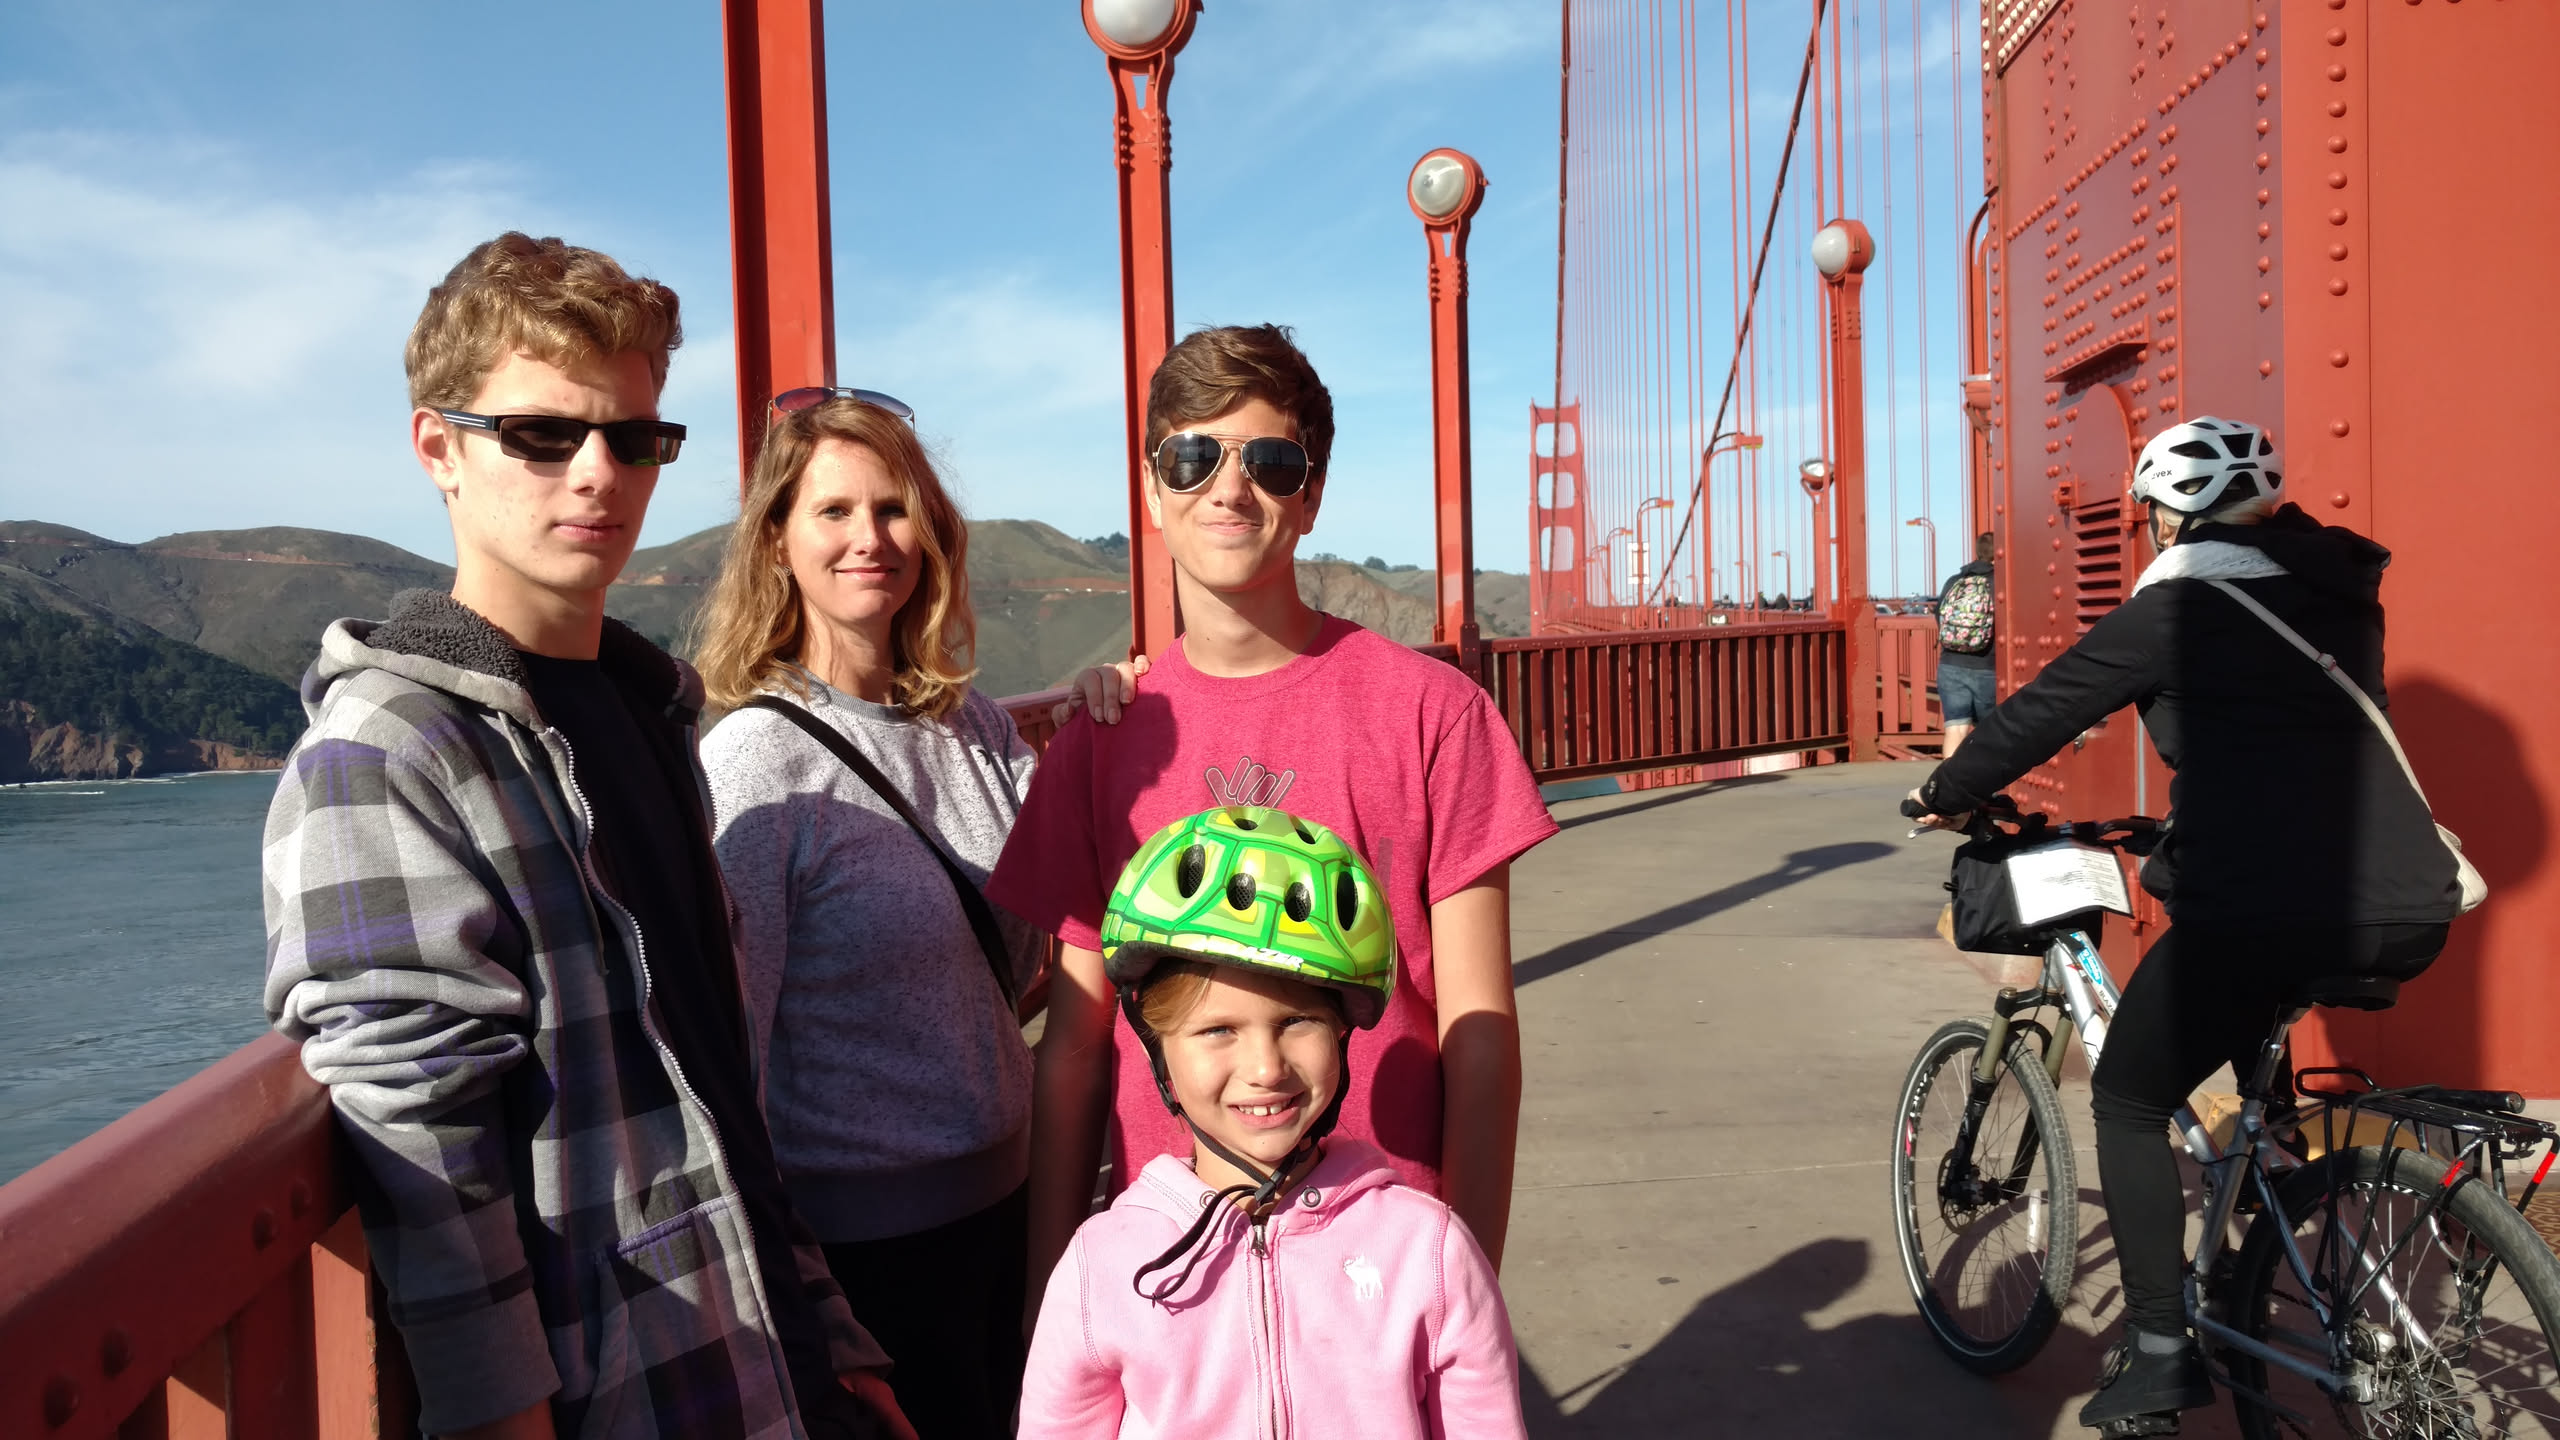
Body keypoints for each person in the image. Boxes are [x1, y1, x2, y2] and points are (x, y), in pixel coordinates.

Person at [262, 233, 909, 1440]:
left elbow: (719, 1080)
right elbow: (426, 1158)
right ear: (439, 449)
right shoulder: (385, 753)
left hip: (776, 1367)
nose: (598, 474)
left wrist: (835, 1339)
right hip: (630, 1400)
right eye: (542, 436)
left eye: (634, 438)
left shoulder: (649, 709)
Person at [1902, 416, 2463, 1433]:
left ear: (2173, 513)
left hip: (2265, 902)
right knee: (2249, 1036)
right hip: (2401, 903)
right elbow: (2289, 742)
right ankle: (2265, 1218)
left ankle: (2160, 1353)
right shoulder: (2341, 596)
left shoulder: (2176, 606)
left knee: (2127, 1097)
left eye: (2153, 513)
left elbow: (2045, 711)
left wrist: (1944, 791)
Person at [987, 324, 1557, 1316]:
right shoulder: (1098, 745)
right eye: (1192, 456)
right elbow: (1075, 1046)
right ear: (1152, 488)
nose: (1229, 488)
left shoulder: (1435, 715)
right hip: (1169, 1279)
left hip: (1382, 1266)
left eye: (1271, 462)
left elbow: (1479, 1028)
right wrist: (1052, 1306)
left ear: (1312, 494)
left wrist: (1464, 1282)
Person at [691, 391, 1133, 1439]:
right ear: (777, 540)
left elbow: (1077, 885)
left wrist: (1102, 718)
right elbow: (730, 1068)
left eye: (893, 509)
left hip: (1019, 1209)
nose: (869, 539)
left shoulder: (971, 725)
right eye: (833, 511)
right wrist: (811, 1312)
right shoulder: (756, 762)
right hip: (870, 1266)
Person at [1018, 808, 1527, 1438]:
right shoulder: (1102, 1266)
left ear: (1342, 1032)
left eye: (1296, 1021)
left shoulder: (1428, 1253)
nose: (1265, 1068)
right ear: (1156, 1047)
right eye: (1218, 1029)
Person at [1933, 532, 1997, 755]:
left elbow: (1939, 616)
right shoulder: (1999, 582)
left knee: (1956, 730)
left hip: (1950, 665)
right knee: (1989, 732)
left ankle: (1950, 777)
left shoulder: (1955, 581)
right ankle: (1984, 776)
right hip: (1986, 667)